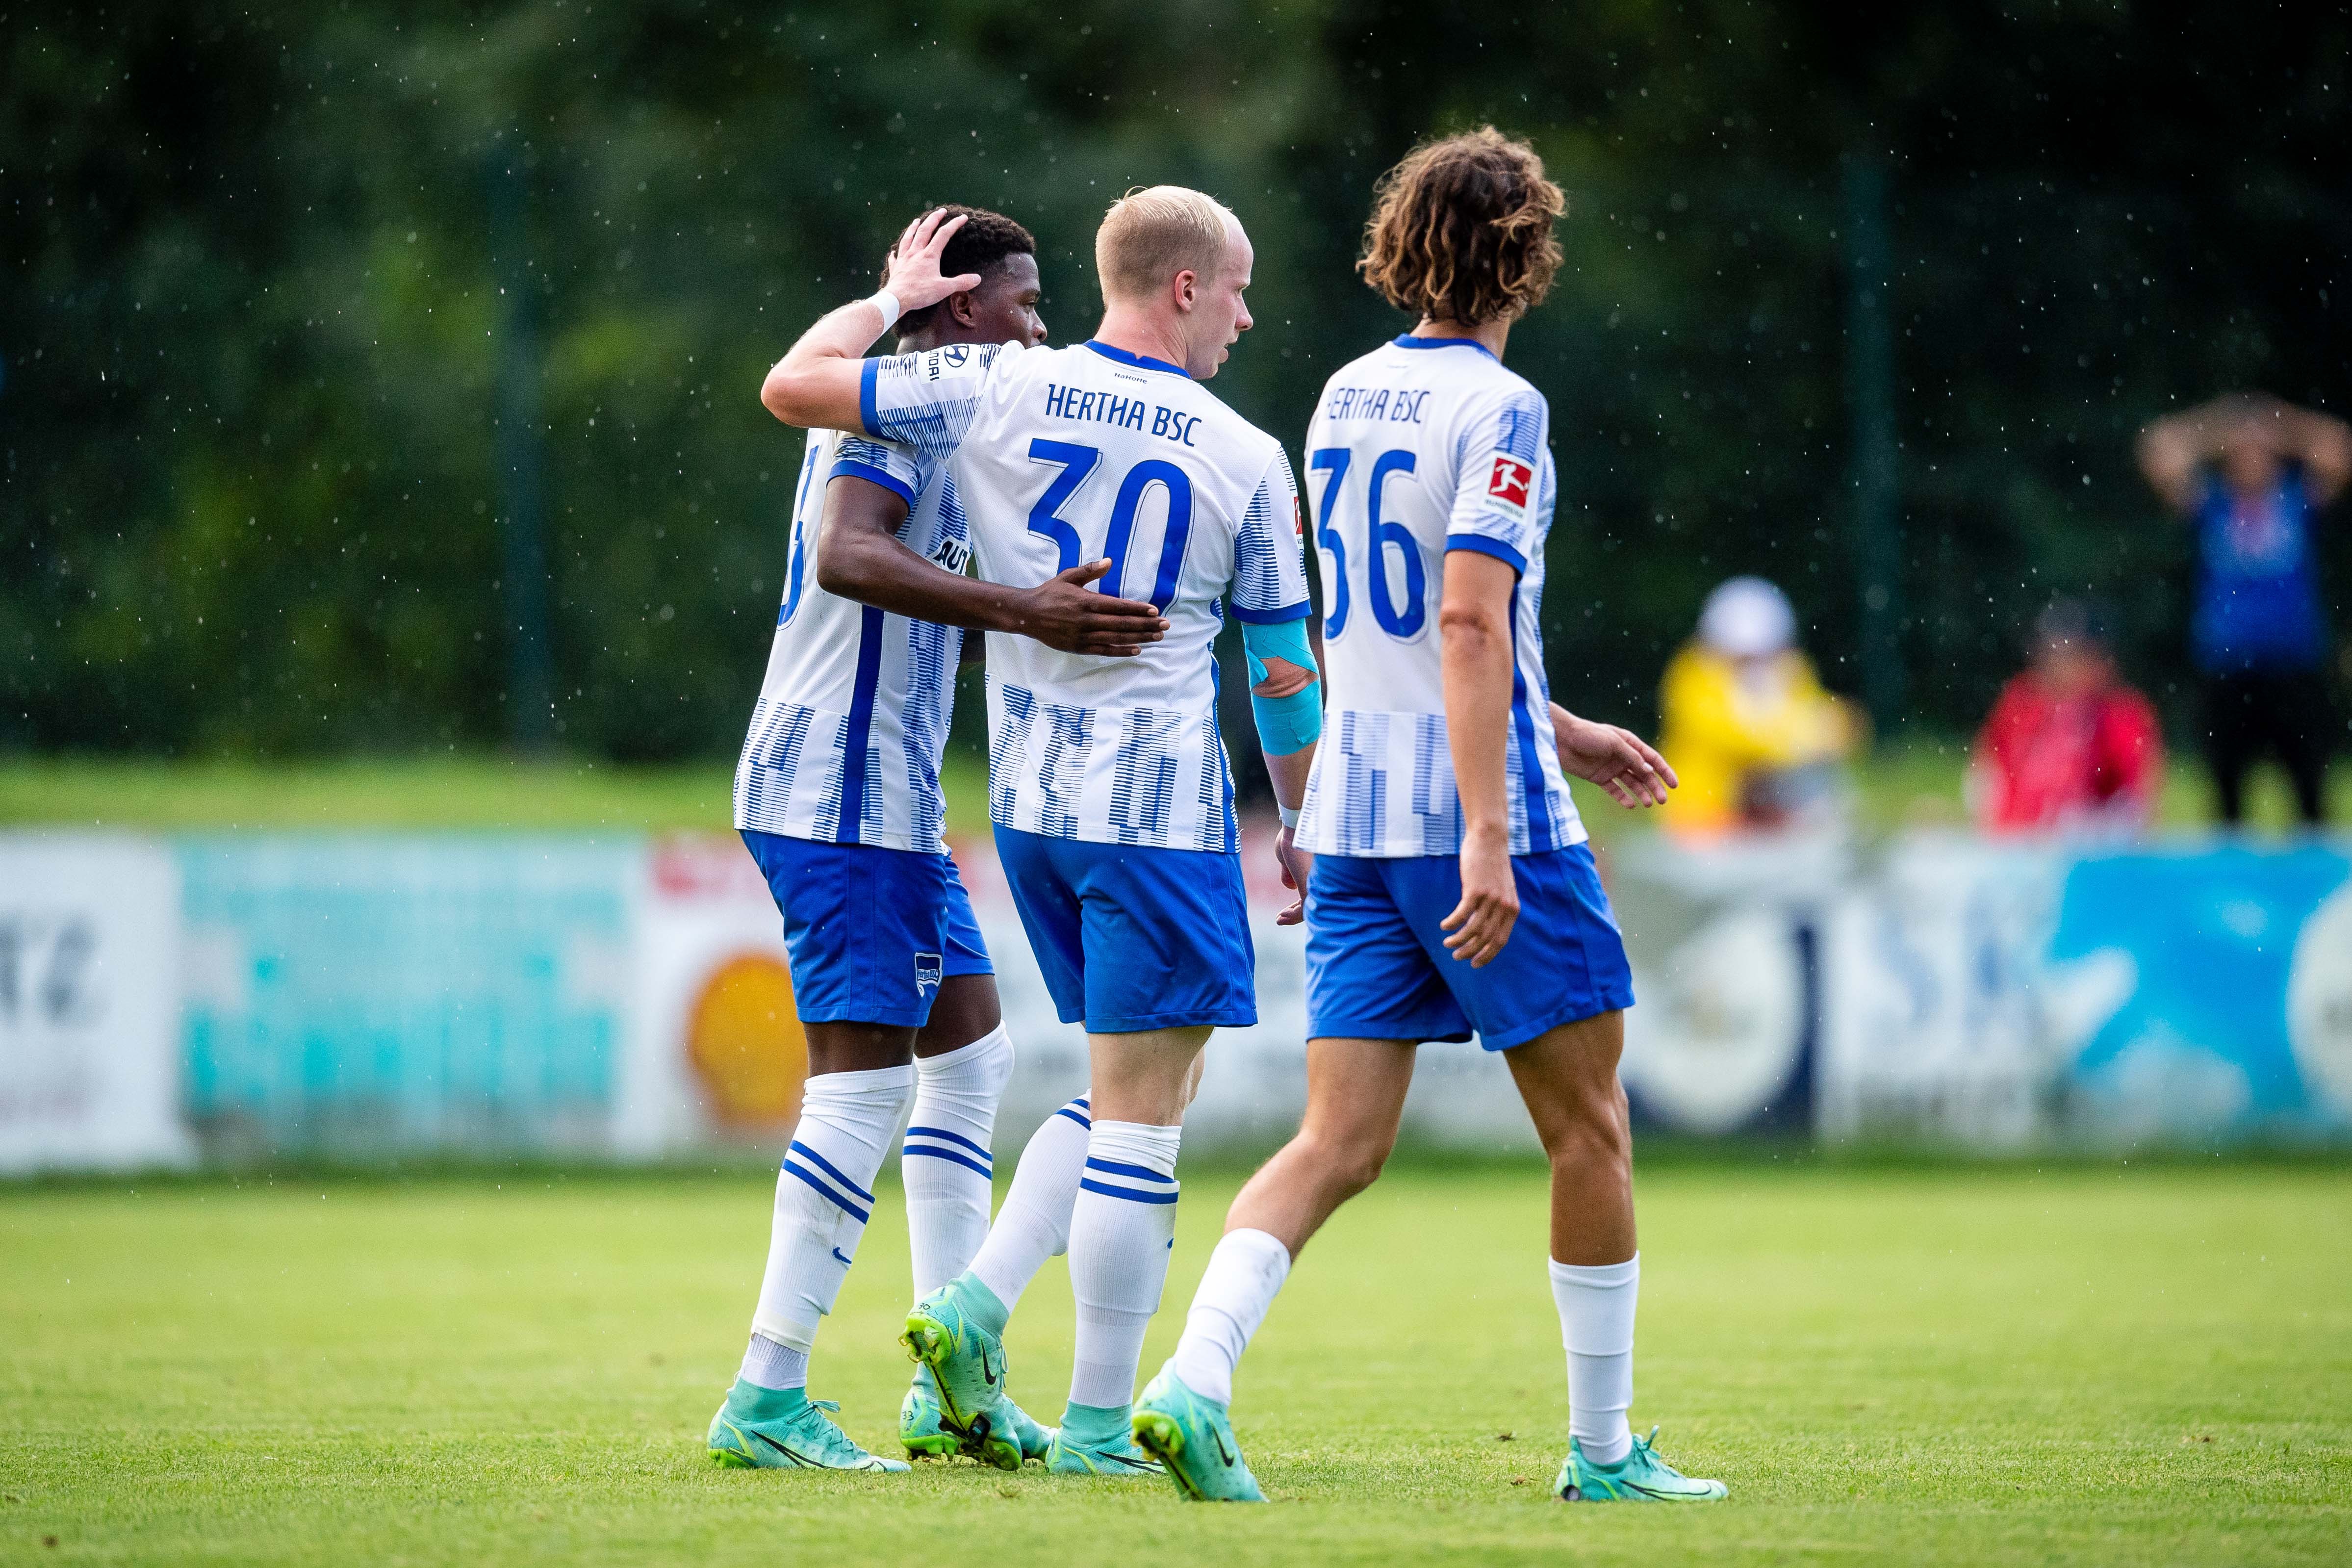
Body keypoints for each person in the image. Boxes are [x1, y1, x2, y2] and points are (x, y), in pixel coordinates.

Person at [1127, 129, 1722, 1506]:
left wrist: (1559, 719)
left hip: (1352, 809)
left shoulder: (1343, 393)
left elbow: (1380, 625)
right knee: (1590, 1130)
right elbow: (1460, 613)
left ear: (1404, 248)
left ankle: (1192, 1379)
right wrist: (1493, 825)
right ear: (1525, 254)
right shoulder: (1503, 411)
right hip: (1470, 815)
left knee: (1336, 1142)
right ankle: (1604, 1450)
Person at [759, 193, 1325, 1475]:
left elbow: (793, 392)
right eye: (1235, 288)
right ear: (1181, 289)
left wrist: (891, 307)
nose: (1245, 314)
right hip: (1159, 814)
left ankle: (983, 1302)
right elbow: (1283, 676)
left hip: (1030, 813)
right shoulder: (1241, 452)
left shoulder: (995, 382)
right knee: (1145, 1120)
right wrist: (1298, 820)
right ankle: (1082, 1412)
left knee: (1136, 1082)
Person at [708, 206, 1169, 1474]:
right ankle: (766, 1392)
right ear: (964, 310)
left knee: (970, 1056)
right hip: (837, 787)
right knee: (859, 1086)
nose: (1042, 325)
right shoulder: (903, 405)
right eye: (1025, 303)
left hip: (887, 797)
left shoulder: (951, 411)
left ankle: (948, 1385)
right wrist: (1022, 606)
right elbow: (847, 554)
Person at [2136, 394, 2350, 826]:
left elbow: (2339, 445)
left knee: (2309, 787)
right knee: (2226, 792)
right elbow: (2157, 447)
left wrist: (2279, 423)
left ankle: (2308, 884)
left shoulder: (2296, 502)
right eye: (2241, 453)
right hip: (2227, 665)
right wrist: (2225, 424)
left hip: (2293, 662)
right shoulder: (2212, 504)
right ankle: (2232, 886)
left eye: (2259, 452)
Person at [1656, 576, 1858, 839]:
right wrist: (1793, 739)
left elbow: (1836, 724)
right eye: (1740, 657)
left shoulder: (1792, 671)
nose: (1752, 665)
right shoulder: (1693, 676)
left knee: (1822, 786)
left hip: (1773, 809)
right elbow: (1723, 734)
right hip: (1704, 814)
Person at [1969, 600, 2163, 835]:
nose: (2055, 666)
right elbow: (1988, 774)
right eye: (2050, 654)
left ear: (2101, 662)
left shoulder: (2122, 717)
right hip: (2017, 845)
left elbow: (2137, 804)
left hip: (2085, 846)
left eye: (2070, 656)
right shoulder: (2021, 703)